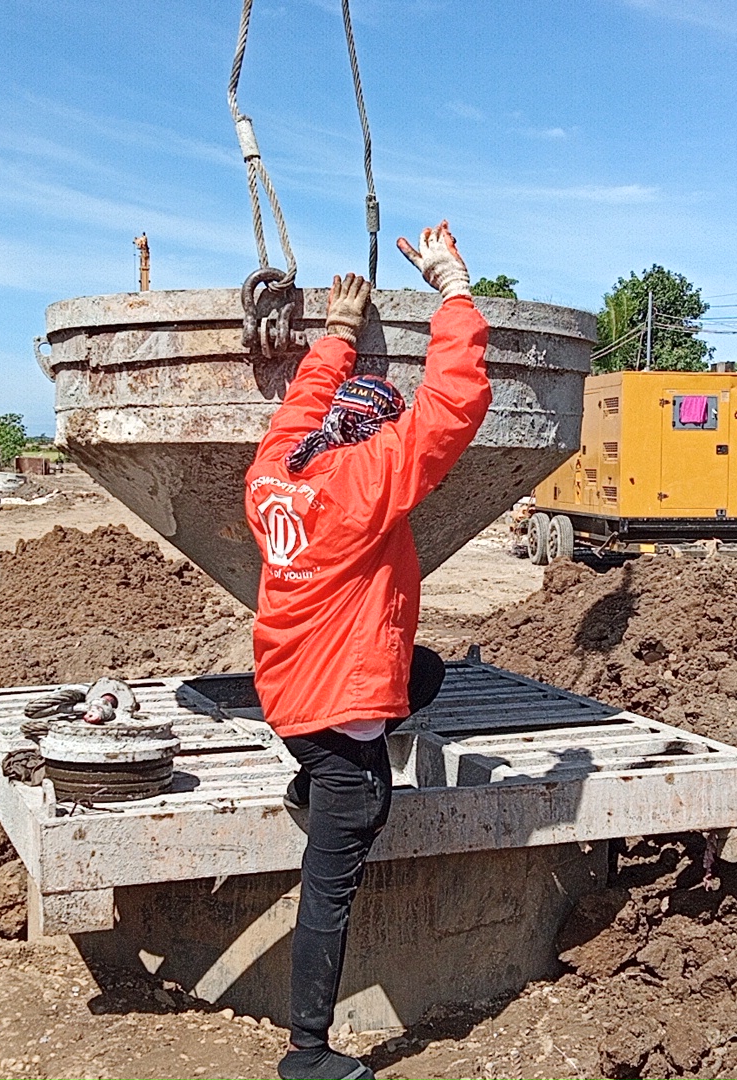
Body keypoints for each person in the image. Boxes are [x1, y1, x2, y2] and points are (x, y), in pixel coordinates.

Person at [245, 221, 491, 1080]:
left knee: (424, 672)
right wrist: (452, 289)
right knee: (340, 864)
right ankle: (306, 1052)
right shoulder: (362, 488)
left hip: (286, 684)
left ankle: (311, 775)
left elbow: (297, 410)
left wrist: (339, 337)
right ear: (372, 440)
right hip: (340, 708)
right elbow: (450, 407)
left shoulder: (276, 473)